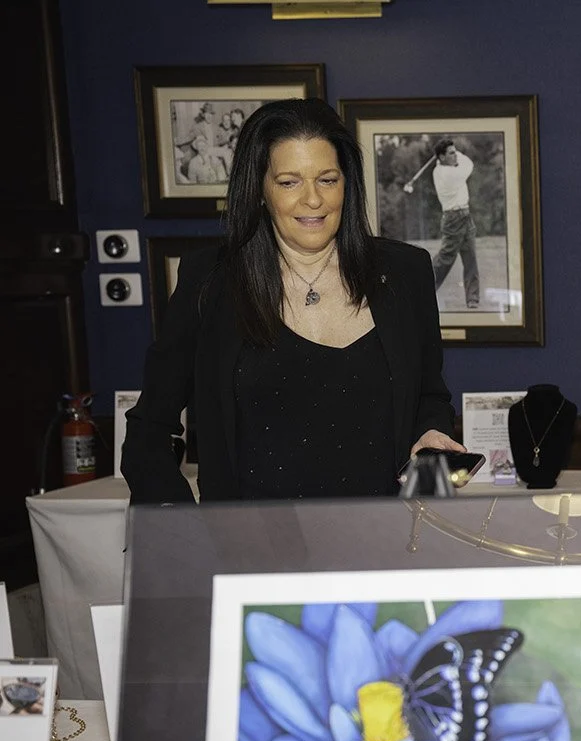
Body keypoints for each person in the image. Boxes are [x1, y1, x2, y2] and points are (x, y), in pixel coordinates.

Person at [122, 98, 463, 503]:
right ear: (261, 190)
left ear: (347, 184)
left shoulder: (406, 272)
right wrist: (186, 531)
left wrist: (431, 432)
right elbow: (150, 429)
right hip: (251, 550)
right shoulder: (211, 281)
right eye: (289, 182)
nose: (313, 199)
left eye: (327, 179)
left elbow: (429, 394)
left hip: (384, 544)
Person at [405, 138, 481, 309]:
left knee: (471, 258)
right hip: (453, 219)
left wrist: (450, 149)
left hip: (465, 215)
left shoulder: (446, 167)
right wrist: (458, 152)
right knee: (445, 260)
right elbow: (468, 164)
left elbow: (461, 162)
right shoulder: (446, 174)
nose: (455, 156)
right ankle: (422, 291)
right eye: (451, 153)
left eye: (455, 152)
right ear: (441, 157)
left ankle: (473, 298)